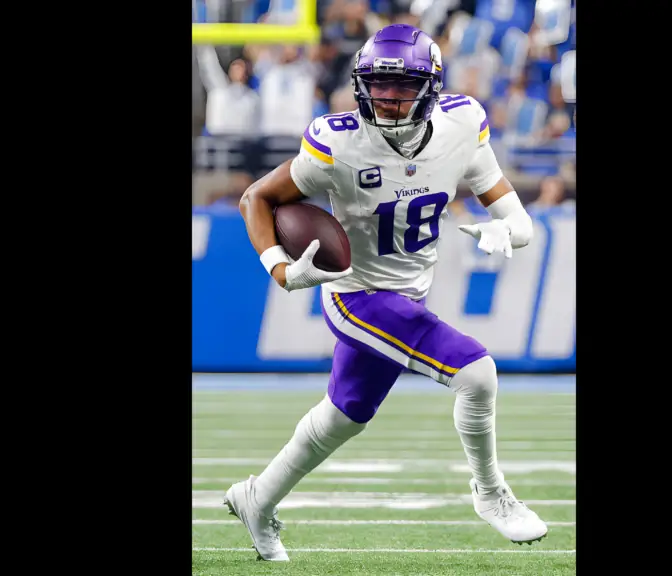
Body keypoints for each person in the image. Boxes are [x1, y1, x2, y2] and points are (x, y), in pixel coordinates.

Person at [230, 24, 547, 562]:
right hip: (353, 294)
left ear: (432, 88)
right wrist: (281, 271)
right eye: (378, 85)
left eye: (403, 86)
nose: (388, 97)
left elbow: (516, 217)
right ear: (360, 85)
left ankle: (257, 500)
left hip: (408, 295)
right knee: (476, 373)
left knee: (344, 415)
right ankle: (491, 493)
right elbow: (256, 199)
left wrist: (506, 231)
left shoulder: (461, 124)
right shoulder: (338, 141)